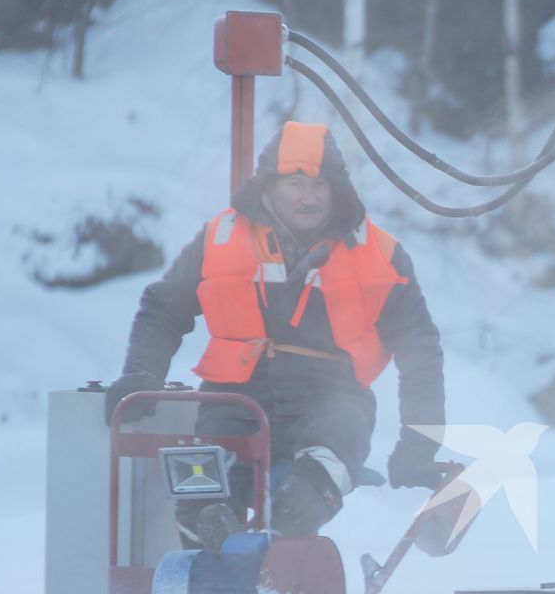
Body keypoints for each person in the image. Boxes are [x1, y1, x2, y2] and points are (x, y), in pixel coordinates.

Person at [106, 122, 450, 542]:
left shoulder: (380, 255)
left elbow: (421, 352)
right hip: (233, 399)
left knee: (307, 492)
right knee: (202, 504)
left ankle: (285, 579)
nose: (309, 197)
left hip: (333, 402)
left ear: (336, 188)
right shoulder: (220, 238)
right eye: (295, 182)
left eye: (319, 184)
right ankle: (206, 572)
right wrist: (141, 374)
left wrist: (419, 441)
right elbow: (163, 308)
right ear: (269, 186)